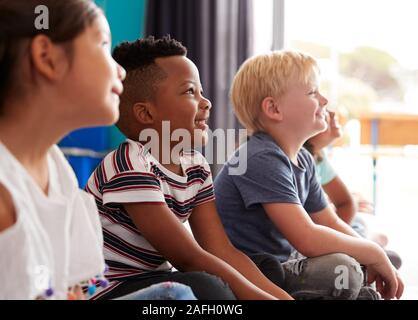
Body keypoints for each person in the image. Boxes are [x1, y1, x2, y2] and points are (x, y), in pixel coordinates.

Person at [0, 0, 193, 300]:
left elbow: (75, 286)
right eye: (102, 44)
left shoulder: (54, 166)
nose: (121, 72)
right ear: (47, 57)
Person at [84, 36, 292, 300]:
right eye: (190, 91)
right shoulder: (128, 165)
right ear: (147, 114)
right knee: (206, 287)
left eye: (201, 91)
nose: (206, 102)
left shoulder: (196, 166)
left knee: (264, 267)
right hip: (111, 291)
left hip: (160, 276)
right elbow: (187, 257)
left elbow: (219, 248)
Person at [214, 51, 404, 300]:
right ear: (273, 108)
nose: (324, 100)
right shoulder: (259, 157)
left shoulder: (303, 158)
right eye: (313, 92)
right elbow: (306, 238)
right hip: (260, 273)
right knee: (342, 268)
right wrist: (374, 253)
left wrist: (371, 252)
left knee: (357, 266)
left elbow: (331, 222)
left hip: (288, 263)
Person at [304, 111, 402, 269]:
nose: (332, 112)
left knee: (360, 223)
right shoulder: (297, 160)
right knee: (368, 232)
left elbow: (345, 202)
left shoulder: (319, 158)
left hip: (327, 227)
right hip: (313, 236)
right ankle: (368, 251)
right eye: (322, 112)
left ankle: (369, 249)